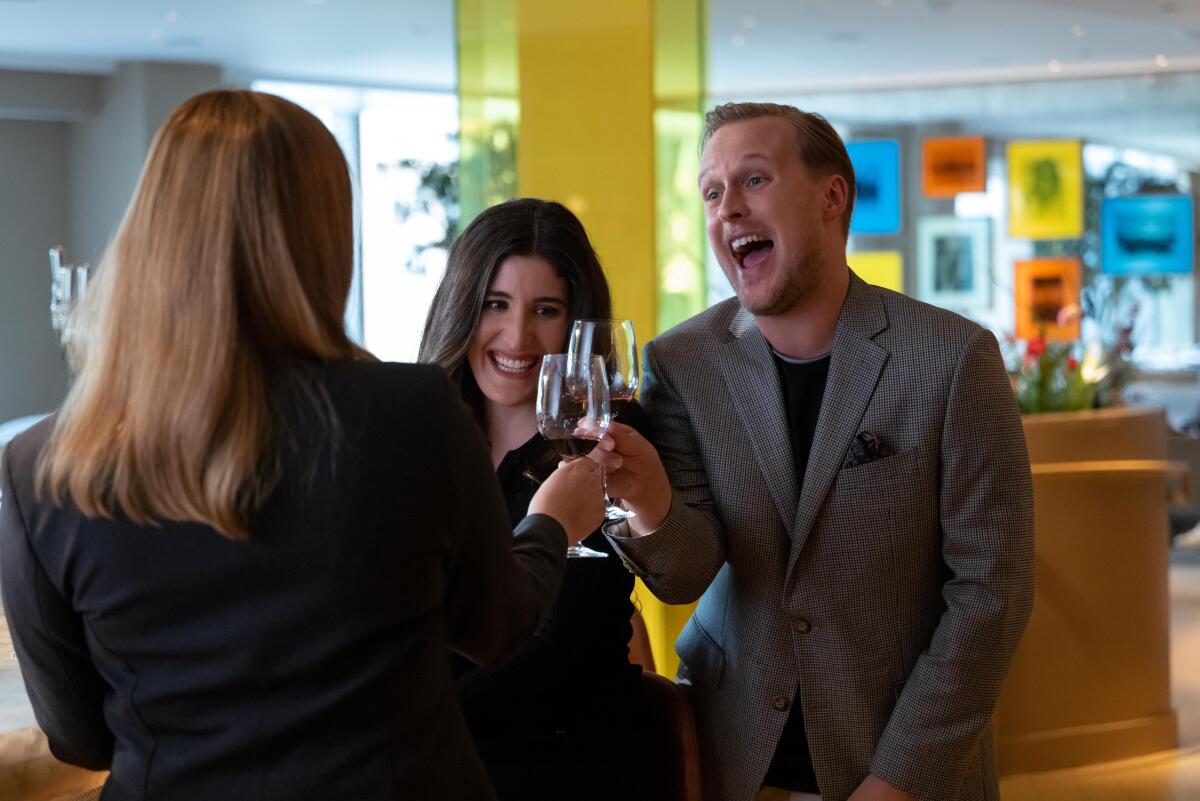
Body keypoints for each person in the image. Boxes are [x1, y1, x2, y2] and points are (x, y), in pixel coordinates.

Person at [0, 90, 604, 801]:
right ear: (321, 237)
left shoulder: (40, 466)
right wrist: (553, 522)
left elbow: (81, 734)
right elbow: (497, 628)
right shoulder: (410, 414)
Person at [596, 102, 1036, 801]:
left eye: (754, 180)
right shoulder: (680, 362)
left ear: (832, 197)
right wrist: (646, 502)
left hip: (901, 762)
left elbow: (991, 595)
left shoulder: (954, 359)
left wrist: (898, 779)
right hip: (732, 760)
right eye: (712, 192)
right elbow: (683, 574)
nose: (728, 208)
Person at [419, 197, 658, 801]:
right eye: (495, 304)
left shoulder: (610, 445)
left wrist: (411, 723)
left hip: (562, 762)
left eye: (545, 310)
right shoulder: (418, 434)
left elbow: (561, 654)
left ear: (577, 325)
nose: (517, 336)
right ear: (460, 308)